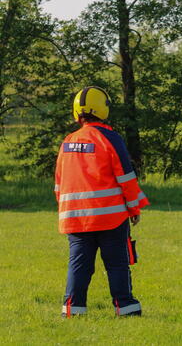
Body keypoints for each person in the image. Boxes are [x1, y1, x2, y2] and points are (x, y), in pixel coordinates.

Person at [54, 86, 149, 318]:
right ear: (103, 108)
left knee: (79, 266)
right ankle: (125, 307)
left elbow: (59, 182)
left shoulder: (68, 141)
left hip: (75, 219)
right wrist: (134, 207)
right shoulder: (110, 138)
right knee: (116, 264)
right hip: (110, 218)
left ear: (77, 112)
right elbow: (126, 177)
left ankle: (72, 309)